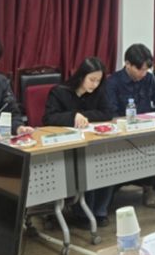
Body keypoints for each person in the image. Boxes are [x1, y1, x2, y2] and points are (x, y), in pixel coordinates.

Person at [107, 43, 155, 207]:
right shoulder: (113, 82)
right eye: (140, 70)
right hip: (126, 133)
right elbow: (111, 113)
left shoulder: (149, 78)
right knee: (147, 147)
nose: (143, 73)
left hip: (149, 127)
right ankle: (148, 188)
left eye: (146, 70)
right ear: (127, 64)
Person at [43, 57, 114, 227]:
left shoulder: (98, 92)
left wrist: (84, 116)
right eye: (91, 79)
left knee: (107, 163)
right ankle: (82, 213)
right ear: (81, 76)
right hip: (65, 146)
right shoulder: (59, 92)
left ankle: (100, 211)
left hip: (91, 142)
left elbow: (107, 113)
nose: (95, 84)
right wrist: (73, 116)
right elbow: (49, 118)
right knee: (86, 164)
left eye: (98, 80)